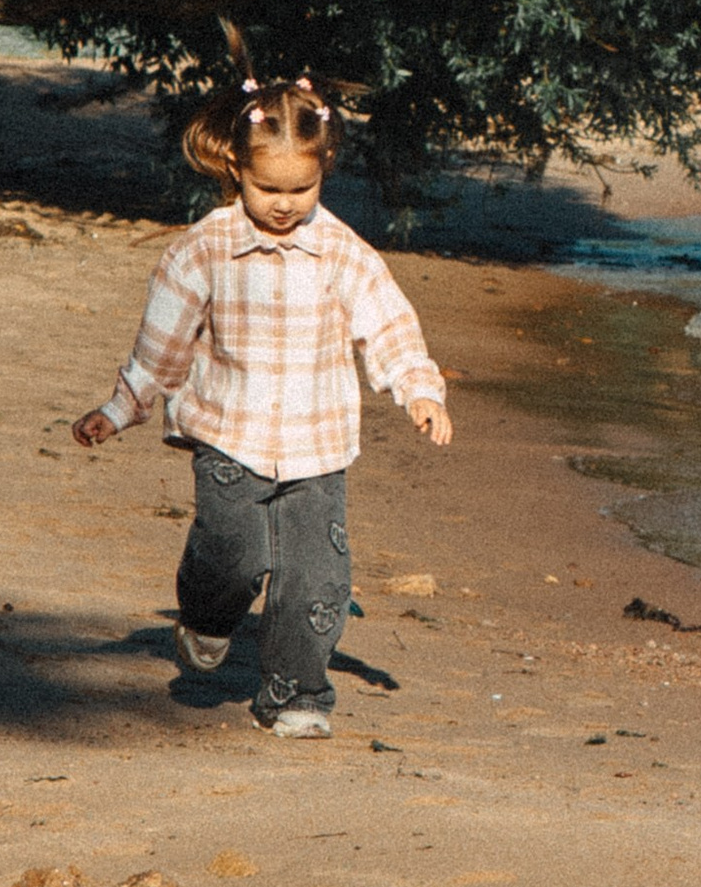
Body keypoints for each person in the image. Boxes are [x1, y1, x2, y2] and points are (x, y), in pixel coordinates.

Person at [71, 74, 451, 737]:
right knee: (234, 557)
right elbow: (163, 343)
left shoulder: (342, 253)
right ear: (235, 168)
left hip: (317, 446)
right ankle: (208, 616)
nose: (283, 205)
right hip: (228, 436)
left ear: (324, 171)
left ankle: (295, 693)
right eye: (267, 188)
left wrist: (418, 388)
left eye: (300, 190)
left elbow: (386, 324)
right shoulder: (204, 249)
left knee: (317, 579)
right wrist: (121, 407)